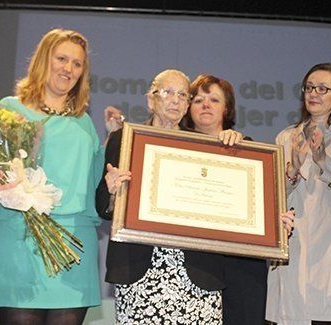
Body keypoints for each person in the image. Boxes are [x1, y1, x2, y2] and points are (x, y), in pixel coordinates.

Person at [97, 70, 294, 324]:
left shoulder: (205, 147)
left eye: (183, 94)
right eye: (168, 92)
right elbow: (103, 206)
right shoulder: (125, 139)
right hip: (140, 272)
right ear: (150, 100)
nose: (176, 100)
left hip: (198, 276)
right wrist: (112, 192)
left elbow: (234, 204)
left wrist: (271, 225)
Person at [0, 28, 106, 324]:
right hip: (18, 240)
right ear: (43, 60)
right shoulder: (8, 110)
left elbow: (93, 187)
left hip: (73, 247)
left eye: (77, 64)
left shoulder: (84, 123)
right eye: (62, 58)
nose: (69, 69)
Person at [266, 63, 331, 325]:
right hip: (296, 244)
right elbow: (273, 197)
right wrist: (293, 170)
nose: (314, 93)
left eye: (323, 88)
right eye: (309, 87)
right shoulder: (286, 137)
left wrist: (323, 161)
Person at [183, 74, 267, 324]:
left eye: (214, 100)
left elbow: (262, 209)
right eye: (198, 100)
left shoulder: (247, 150)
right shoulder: (173, 150)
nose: (206, 105)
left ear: (227, 108)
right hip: (192, 265)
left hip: (240, 265)